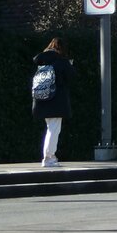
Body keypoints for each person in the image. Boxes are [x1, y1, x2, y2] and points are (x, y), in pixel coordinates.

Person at [32, 37, 74, 167]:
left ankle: (49, 156)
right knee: (54, 129)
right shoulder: (61, 62)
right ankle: (49, 157)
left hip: (41, 99)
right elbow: (71, 76)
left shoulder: (42, 62)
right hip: (56, 101)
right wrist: (70, 65)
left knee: (51, 128)